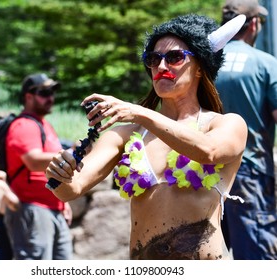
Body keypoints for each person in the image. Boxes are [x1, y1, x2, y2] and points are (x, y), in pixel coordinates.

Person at [45, 14, 248, 260]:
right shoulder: (127, 134)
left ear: (199, 69)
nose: (161, 67)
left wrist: (138, 112)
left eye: (174, 57)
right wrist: (61, 175)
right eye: (153, 59)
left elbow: (209, 151)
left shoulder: (226, 124)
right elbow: (73, 188)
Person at [215, 0, 277, 260]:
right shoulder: (264, 63)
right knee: (256, 256)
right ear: (252, 24)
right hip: (250, 170)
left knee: (206, 252)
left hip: (201, 173)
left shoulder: (204, 64)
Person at [4, 73, 73, 260]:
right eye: (44, 92)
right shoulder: (23, 125)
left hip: (54, 207)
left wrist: (64, 201)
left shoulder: (45, 125)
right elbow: (34, 161)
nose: (50, 97)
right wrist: (71, 154)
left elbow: (55, 168)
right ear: (28, 96)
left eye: (52, 92)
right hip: (32, 208)